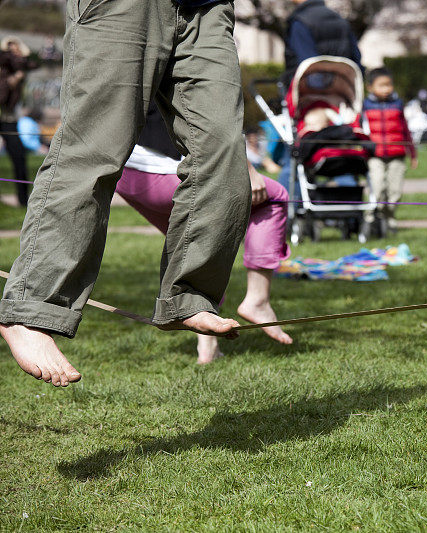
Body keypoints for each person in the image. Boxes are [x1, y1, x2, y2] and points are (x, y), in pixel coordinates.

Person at [0, 0, 253, 387]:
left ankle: (189, 295)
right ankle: (30, 311)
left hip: (208, 6)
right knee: (94, 151)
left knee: (224, 155)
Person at [117, 105, 293, 364]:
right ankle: (258, 300)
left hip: (127, 174)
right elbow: (213, 115)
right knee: (274, 197)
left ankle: (207, 349)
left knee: (200, 243)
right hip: (165, 171)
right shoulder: (186, 62)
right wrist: (248, 170)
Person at [278, 0, 363, 197]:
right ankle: (350, 208)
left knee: (292, 158)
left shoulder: (300, 22)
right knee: (342, 155)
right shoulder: (340, 20)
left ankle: (287, 208)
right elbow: (356, 59)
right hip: (340, 103)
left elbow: (306, 63)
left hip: (309, 101)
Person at [362, 68, 417, 236]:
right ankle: (371, 218)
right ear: (370, 87)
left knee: (395, 192)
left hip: (397, 154)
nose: (386, 89)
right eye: (381, 85)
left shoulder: (397, 104)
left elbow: (405, 129)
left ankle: (390, 218)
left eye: (389, 85)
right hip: (375, 155)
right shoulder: (364, 106)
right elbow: (360, 132)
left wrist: (412, 152)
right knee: (377, 188)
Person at [0, 36, 38, 206]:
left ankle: (23, 201)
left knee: (19, 158)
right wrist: (12, 80)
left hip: (10, 120)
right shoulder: (4, 65)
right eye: (10, 50)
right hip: (4, 117)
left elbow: (34, 63)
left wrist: (25, 54)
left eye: (16, 49)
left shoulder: (20, 69)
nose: (14, 53)